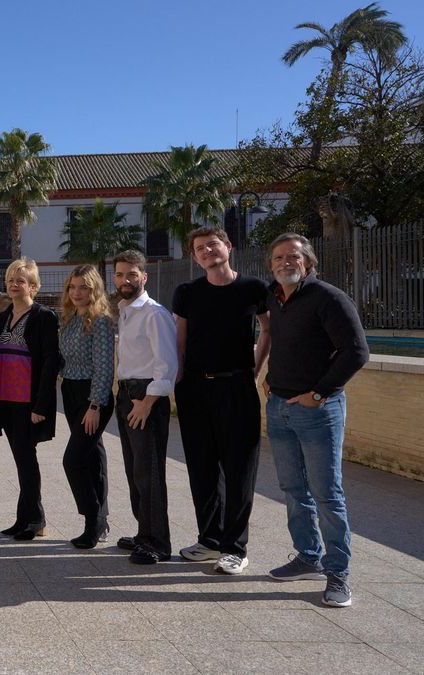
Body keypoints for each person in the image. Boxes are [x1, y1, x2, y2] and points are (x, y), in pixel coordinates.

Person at [264, 233, 369, 608]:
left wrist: (320, 393)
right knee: (293, 489)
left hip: (318, 411)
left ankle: (337, 572)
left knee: (327, 493)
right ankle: (308, 556)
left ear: (308, 261)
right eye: (277, 257)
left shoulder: (328, 298)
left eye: (292, 256)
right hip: (279, 407)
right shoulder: (277, 298)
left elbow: (357, 351)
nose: (284, 262)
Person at [172, 227, 270, 574]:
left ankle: (235, 548)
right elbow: (179, 341)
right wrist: (179, 379)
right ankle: (210, 541)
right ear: (195, 257)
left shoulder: (254, 288)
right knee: (201, 469)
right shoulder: (187, 292)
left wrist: (254, 373)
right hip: (195, 389)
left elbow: (268, 330)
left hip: (236, 388)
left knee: (240, 468)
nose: (207, 251)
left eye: (212, 244)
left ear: (228, 246)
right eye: (199, 248)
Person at [112, 250, 179, 564]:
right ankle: (144, 533)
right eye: (120, 274)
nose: (126, 280)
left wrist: (148, 403)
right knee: (134, 470)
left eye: (132, 274)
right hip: (127, 394)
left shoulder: (154, 313)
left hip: (145, 397)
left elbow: (166, 365)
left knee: (149, 472)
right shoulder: (125, 310)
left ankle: (157, 544)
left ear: (144, 276)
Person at [0, 258, 59, 541]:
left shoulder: (44, 316)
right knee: (21, 459)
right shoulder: (3, 317)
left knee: (27, 459)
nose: (14, 285)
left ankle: (35, 519)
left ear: (34, 286)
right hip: (4, 401)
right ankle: (24, 518)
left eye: (21, 281)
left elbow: (51, 361)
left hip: (28, 403)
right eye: (11, 280)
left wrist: (40, 405)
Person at [57, 264, 116, 549]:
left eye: (84, 287)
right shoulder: (68, 319)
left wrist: (95, 405)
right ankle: (100, 521)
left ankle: (92, 520)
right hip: (70, 393)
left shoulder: (101, 321)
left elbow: (104, 368)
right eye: (73, 286)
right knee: (92, 458)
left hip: (93, 397)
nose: (77, 292)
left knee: (73, 460)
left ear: (94, 290)